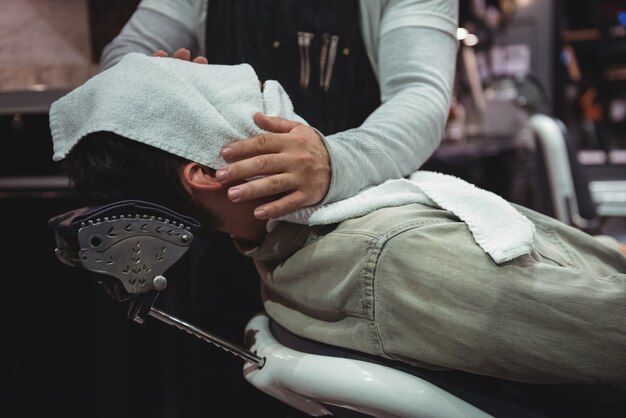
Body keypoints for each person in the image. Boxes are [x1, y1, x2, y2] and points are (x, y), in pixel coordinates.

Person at [49, 54, 626, 405]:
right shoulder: (397, 259)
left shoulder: (282, 250)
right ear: (208, 173)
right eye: (210, 88)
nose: (247, 73)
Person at [98, 0, 459, 218]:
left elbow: (419, 93)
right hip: (224, 232)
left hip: (353, 229)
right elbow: (124, 54)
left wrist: (335, 161)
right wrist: (147, 78)